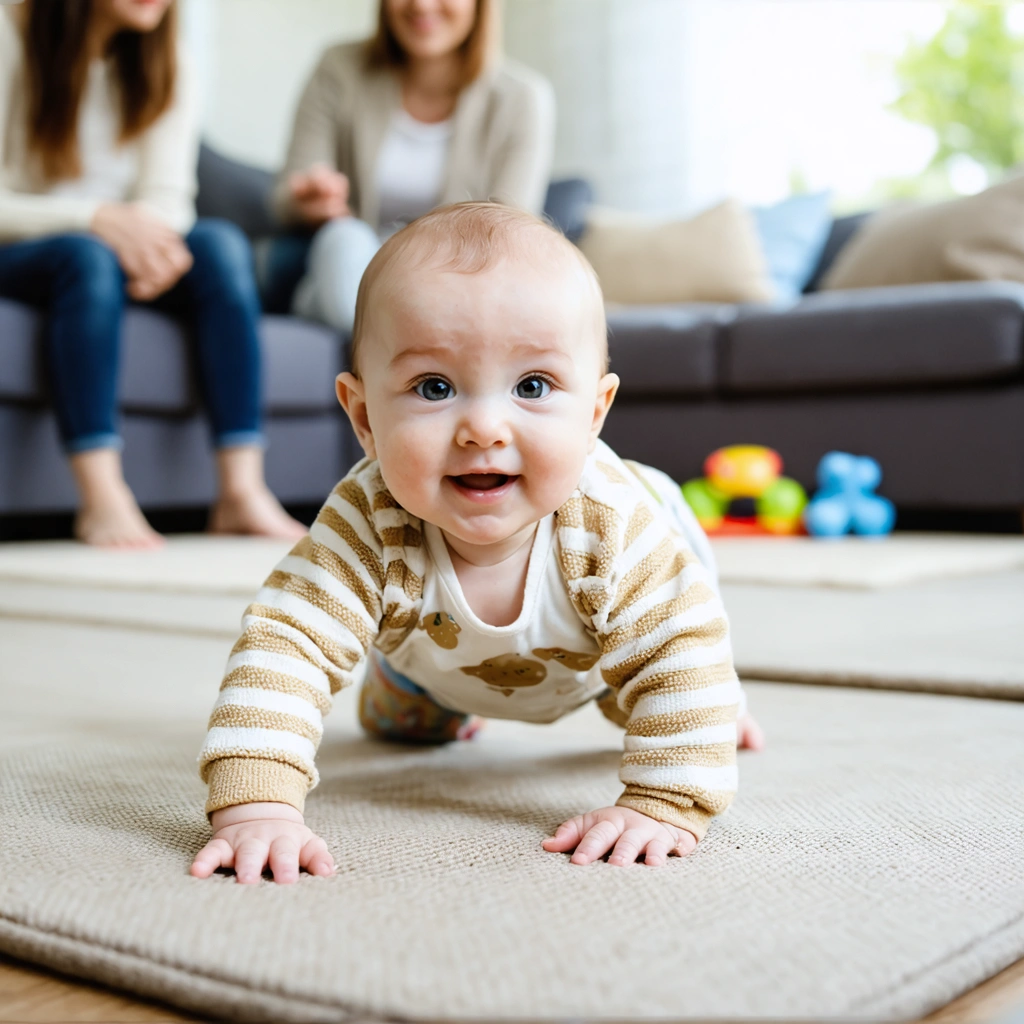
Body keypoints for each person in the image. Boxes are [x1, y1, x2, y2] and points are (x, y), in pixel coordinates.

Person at [191, 202, 765, 885]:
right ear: (364, 417)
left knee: (673, 699)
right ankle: (411, 675)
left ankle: (720, 708)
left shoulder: (616, 527)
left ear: (594, 413)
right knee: (399, 721)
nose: (484, 428)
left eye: (532, 386)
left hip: (599, 657)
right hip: (434, 650)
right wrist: (257, 804)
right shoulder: (368, 520)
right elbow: (287, 644)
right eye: (434, 387)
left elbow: (678, 648)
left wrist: (664, 803)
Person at [0, 0, 306, 547]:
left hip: (118, 251)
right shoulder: (9, 34)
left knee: (221, 245)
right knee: (86, 257)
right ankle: (101, 498)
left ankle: (240, 490)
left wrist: (148, 248)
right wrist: (97, 219)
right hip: (27, 247)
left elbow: (169, 201)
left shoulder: (170, 62)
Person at [272, 0, 554, 333]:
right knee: (345, 239)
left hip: (451, 274)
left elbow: (510, 233)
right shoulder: (338, 68)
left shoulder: (521, 98)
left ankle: (347, 319)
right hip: (344, 258)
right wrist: (311, 200)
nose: (421, 5)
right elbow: (286, 196)